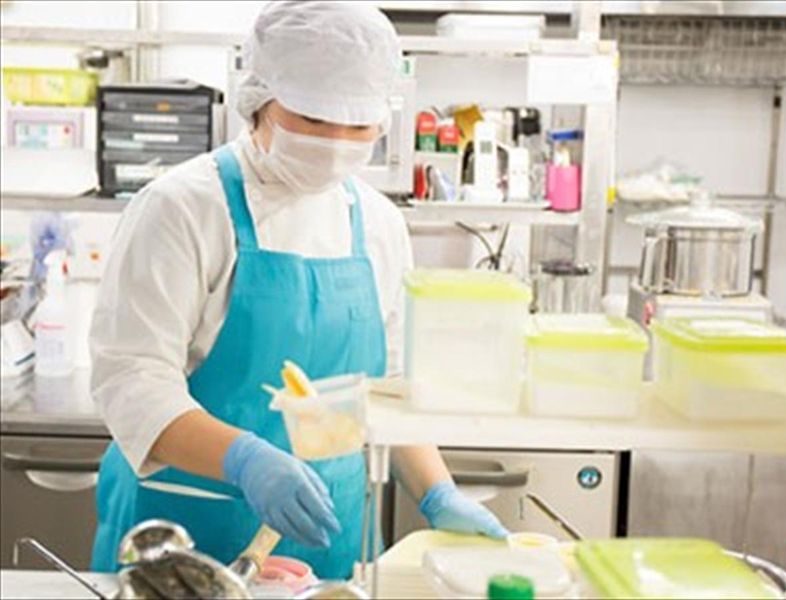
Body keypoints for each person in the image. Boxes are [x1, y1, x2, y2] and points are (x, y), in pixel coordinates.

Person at [90, 1, 507, 579]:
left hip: (327, 540)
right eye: (313, 118)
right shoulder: (182, 208)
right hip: (185, 537)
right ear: (260, 99)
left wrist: (439, 494)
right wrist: (245, 460)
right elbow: (133, 384)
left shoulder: (379, 224)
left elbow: (388, 389)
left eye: (357, 126)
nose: (335, 141)